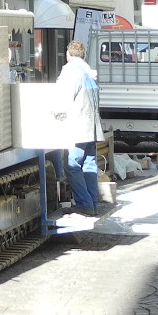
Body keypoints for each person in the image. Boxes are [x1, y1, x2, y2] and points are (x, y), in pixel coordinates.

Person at [57, 40, 103, 217]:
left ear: (67, 55)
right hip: (92, 127)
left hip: (78, 128)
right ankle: (93, 203)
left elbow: (63, 99)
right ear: (84, 55)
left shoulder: (71, 71)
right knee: (89, 165)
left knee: (72, 165)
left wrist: (55, 119)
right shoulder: (88, 71)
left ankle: (85, 204)